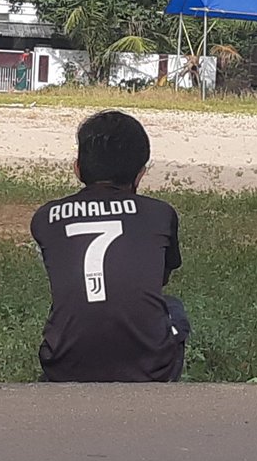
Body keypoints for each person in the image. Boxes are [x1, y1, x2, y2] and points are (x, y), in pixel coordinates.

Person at [30, 110, 189, 382]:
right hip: (147, 370)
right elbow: (160, 278)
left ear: (77, 168)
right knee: (173, 308)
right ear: (140, 174)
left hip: (63, 368)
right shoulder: (160, 214)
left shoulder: (46, 218)